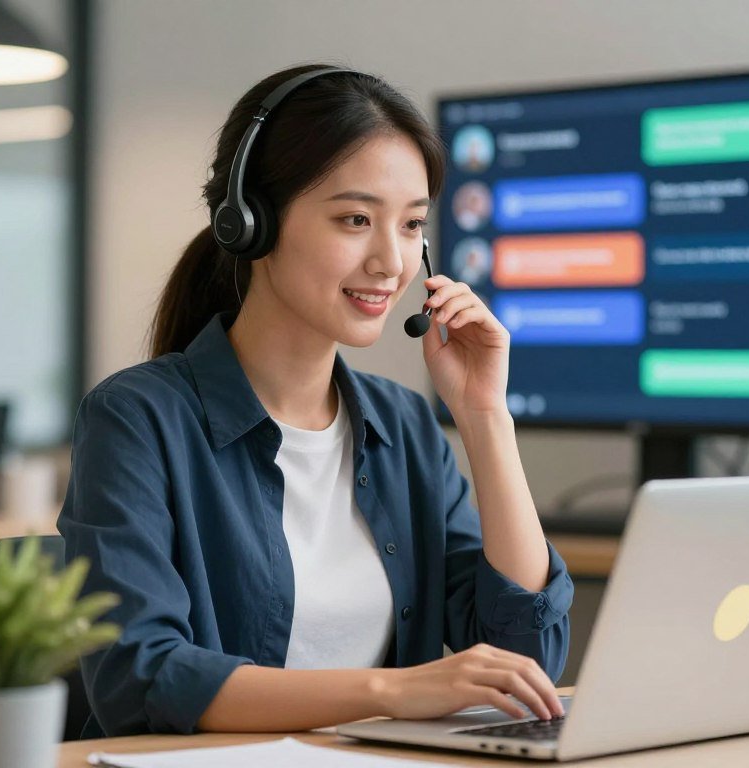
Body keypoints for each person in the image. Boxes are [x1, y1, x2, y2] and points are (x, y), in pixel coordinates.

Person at [59, 64, 574, 738]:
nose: (392, 261)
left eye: (413, 225)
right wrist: (393, 691)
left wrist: (485, 418)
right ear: (253, 222)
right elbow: (141, 679)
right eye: (356, 219)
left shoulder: (404, 425)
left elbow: (527, 658)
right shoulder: (138, 419)